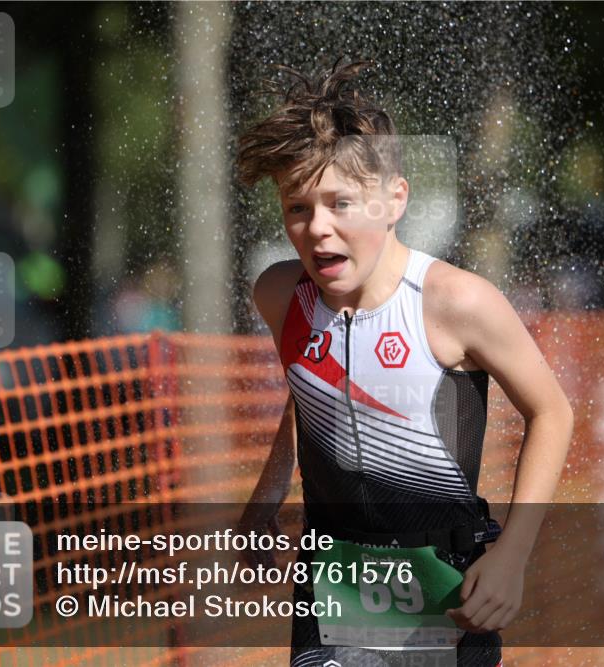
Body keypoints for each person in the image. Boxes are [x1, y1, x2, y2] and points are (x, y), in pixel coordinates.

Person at [236, 59, 574, 667]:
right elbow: (312, 388)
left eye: (341, 203)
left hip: (450, 591)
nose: (318, 230)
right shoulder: (280, 295)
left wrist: (513, 558)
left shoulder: (456, 303)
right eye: (297, 208)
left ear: (395, 199)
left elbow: (551, 410)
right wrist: (265, 498)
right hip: (332, 588)